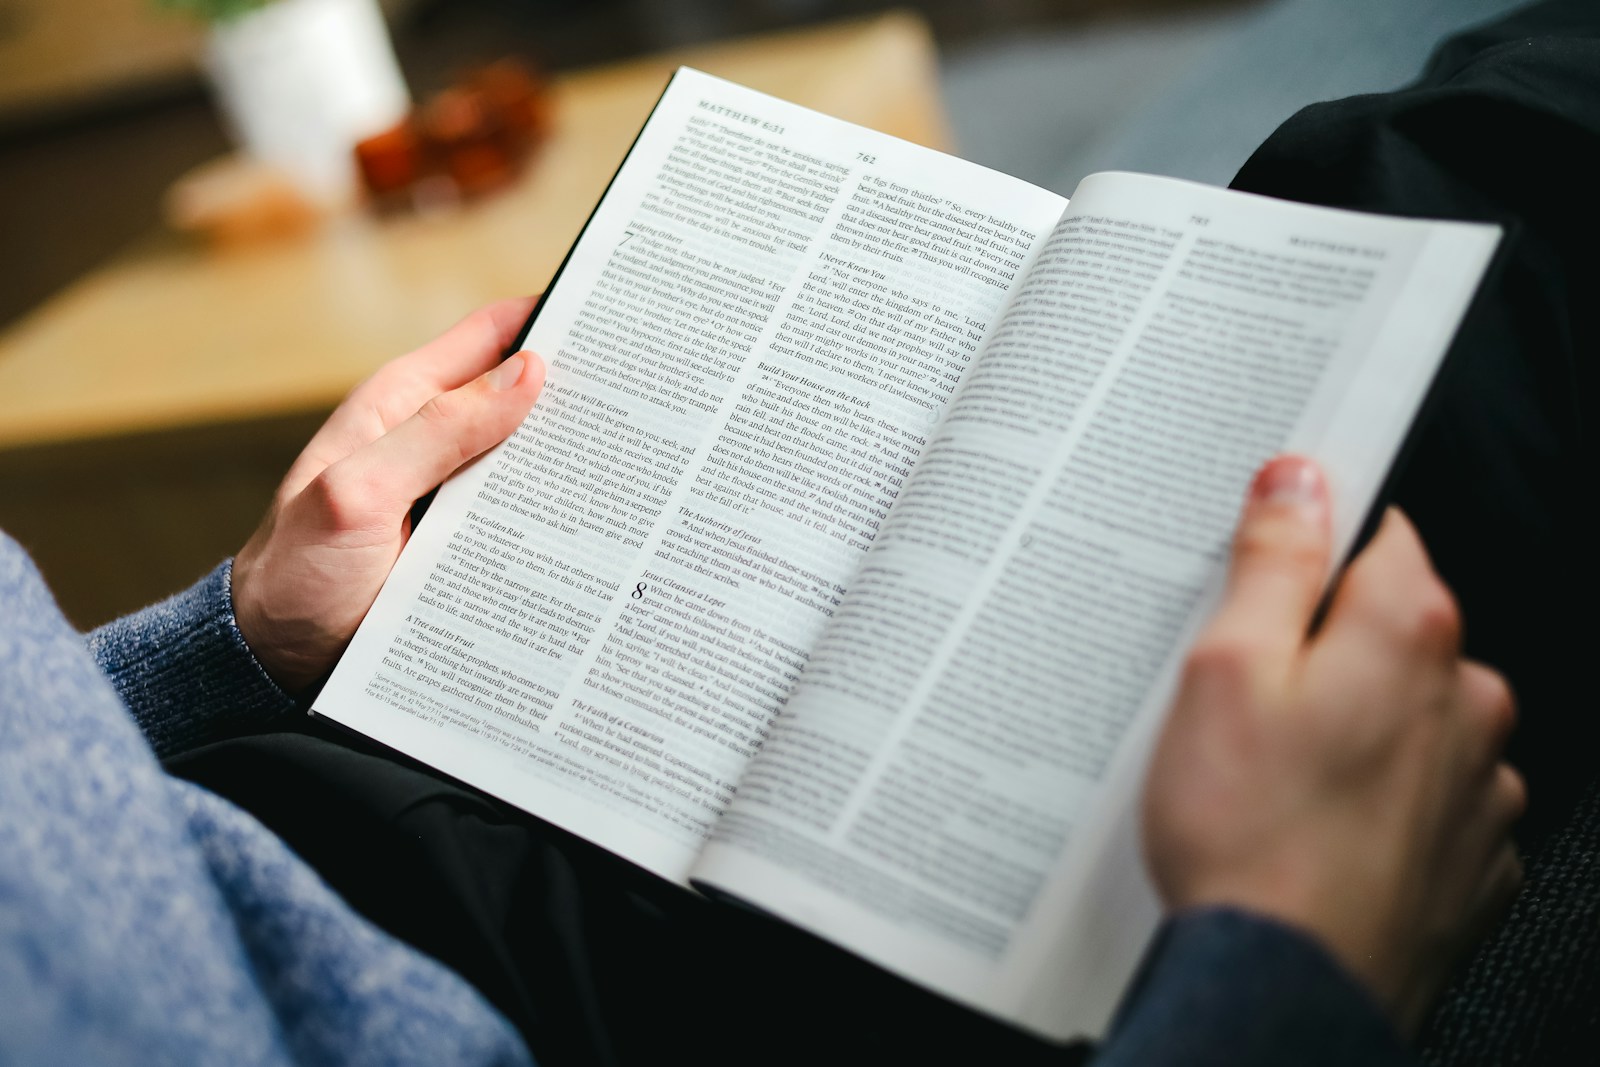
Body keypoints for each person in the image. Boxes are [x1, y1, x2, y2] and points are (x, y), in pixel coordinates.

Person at [0, 290, 1522, 1065]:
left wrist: (232, 646)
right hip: (538, 996)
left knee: (1340, 196)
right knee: (1478, 306)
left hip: (293, 815)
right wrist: (1280, 989)